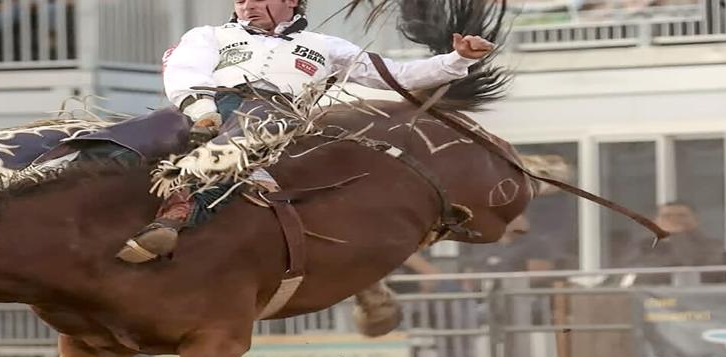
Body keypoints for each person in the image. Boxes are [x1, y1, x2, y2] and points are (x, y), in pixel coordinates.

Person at [118, 0, 497, 264]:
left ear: (291, 3)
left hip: (273, 114)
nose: (247, 6)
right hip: (203, 106)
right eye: (241, 0)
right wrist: (202, 112)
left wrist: (458, 59)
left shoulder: (326, 47)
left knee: (243, 145)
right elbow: (184, 69)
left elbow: (397, 76)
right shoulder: (209, 35)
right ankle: (64, 164)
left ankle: (177, 216)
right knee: (127, 135)